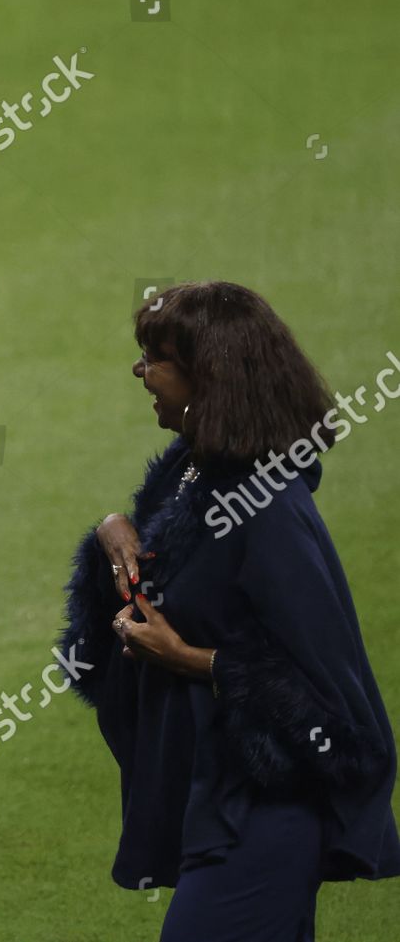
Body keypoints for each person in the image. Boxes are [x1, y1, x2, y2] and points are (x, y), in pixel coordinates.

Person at [60, 281, 399, 941]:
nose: (139, 371)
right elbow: (138, 610)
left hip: (263, 814)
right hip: (210, 797)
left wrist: (188, 658)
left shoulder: (268, 506)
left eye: (154, 356)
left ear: (205, 375)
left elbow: (333, 705)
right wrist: (111, 532)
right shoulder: (192, 471)